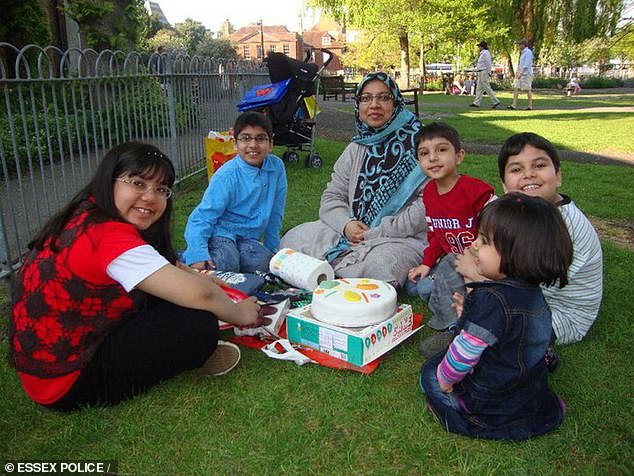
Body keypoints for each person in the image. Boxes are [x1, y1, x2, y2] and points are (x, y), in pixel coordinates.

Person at [9, 142, 261, 411]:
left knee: (175, 297)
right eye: (138, 183)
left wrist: (201, 277)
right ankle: (189, 357)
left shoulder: (88, 214)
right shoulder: (109, 238)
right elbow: (201, 295)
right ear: (110, 180)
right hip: (67, 382)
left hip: (50, 363)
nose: (150, 197)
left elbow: (164, 265)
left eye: (161, 190)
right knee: (199, 324)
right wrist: (241, 313)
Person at [420, 193, 572, 440]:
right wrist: (467, 316)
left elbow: (464, 353)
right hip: (526, 392)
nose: (474, 245)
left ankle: (461, 416)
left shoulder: (490, 299)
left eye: (485, 241)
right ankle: (545, 411)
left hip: (489, 401)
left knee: (429, 374)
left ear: (517, 253)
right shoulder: (534, 294)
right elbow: (521, 336)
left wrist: (445, 381)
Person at [280, 72, 427, 288]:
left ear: (396, 102)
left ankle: (328, 271)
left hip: (398, 237)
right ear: (358, 105)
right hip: (349, 232)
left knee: (383, 265)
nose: (374, 105)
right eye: (366, 98)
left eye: (383, 97)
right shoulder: (357, 147)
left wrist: (377, 232)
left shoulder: (421, 145)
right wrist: (347, 225)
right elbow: (333, 196)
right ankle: (346, 272)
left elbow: (427, 205)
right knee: (292, 239)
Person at [405, 122, 495, 331]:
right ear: (418, 161)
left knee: (432, 287)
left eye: (442, 150)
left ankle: (454, 323)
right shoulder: (429, 193)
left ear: (458, 156)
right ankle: (444, 290)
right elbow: (436, 234)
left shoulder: (475, 190)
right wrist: (427, 264)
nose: (433, 158)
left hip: (480, 264)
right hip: (451, 261)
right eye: (424, 153)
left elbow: (497, 230)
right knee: (414, 284)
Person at [182, 111, 287, 273]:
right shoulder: (226, 176)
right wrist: (197, 253)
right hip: (221, 232)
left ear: (271, 144)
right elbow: (202, 216)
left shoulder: (276, 167)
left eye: (260, 138)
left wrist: (272, 247)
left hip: (247, 238)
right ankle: (189, 256)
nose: (253, 145)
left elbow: (276, 211)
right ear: (235, 143)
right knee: (226, 263)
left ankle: (234, 257)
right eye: (246, 138)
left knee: (266, 263)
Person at [469, 41, 502, 109]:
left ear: (482, 47)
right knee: (479, 88)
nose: (479, 48)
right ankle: (476, 102)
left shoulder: (486, 53)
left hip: (484, 71)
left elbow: (488, 63)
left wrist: (489, 72)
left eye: (479, 46)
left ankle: (495, 101)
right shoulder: (482, 54)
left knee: (486, 87)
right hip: (480, 72)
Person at [507, 39, 534, 110]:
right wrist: (517, 71)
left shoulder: (528, 52)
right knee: (516, 88)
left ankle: (530, 105)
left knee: (528, 89)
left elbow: (526, 65)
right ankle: (514, 104)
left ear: (523, 45)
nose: (519, 46)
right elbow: (521, 64)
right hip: (520, 73)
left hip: (526, 74)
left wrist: (521, 73)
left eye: (520, 45)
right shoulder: (523, 53)